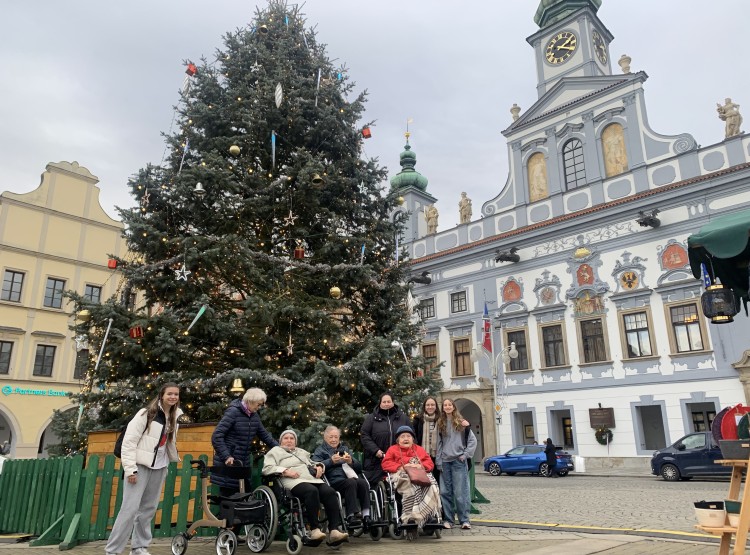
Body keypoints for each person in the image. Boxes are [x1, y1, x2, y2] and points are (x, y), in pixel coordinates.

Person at [105, 383, 182, 555]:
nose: (173, 397)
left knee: (148, 509)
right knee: (129, 509)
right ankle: (113, 550)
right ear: (162, 395)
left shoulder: (174, 417)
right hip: (140, 466)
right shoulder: (146, 414)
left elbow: (167, 443)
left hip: (159, 467)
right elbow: (129, 442)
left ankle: (139, 547)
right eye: (169, 393)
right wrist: (130, 469)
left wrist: (168, 463)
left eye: (176, 394)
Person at [263, 430, 349, 544]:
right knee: (311, 491)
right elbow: (267, 468)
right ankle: (314, 530)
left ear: (295, 441)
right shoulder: (275, 452)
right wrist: (285, 471)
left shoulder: (301, 452)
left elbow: (312, 463)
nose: (289, 440)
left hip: (310, 479)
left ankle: (334, 530)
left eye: (292, 438)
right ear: (280, 441)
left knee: (330, 492)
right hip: (291, 481)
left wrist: (319, 467)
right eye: (286, 438)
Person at [211, 388, 278, 497]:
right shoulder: (233, 412)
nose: (260, 407)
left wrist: (280, 448)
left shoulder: (254, 416)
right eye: (259, 404)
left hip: (243, 463)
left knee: (244, 498)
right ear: (250, 401)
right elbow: (217, 436)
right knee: (229, 500)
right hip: (230, 463)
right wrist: (226, 456)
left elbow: (265, 436)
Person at [381, 425, 441, 527]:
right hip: (401, 476)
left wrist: (419, 465)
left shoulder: (419, 449)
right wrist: (402, 467)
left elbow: (430, 464)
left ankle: (428, 515)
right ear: (398, 440)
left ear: (412, 439)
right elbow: (385, 464)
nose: (405, 439)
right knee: (411, 487)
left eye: (408, 436)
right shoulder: (392, 449)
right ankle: (410, 518)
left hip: (419, 475)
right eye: (402, 436)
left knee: (431, 484)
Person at [312, 425, 371, 529]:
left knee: (362, 482)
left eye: (336, 437)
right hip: (333, 481)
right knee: (351, 482)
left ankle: (366, 515)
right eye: (331, 437)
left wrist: (351, 461)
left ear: (339, 438)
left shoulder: (344, 449)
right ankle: (350, 516)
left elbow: (359, 468)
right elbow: (316, 466)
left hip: (348, 478)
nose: (334, 440)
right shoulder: (320, 450)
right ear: (325, 438)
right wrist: (331, 461)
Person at [436, 398, 477, 530]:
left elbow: (472, 441)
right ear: (443, 408)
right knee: (445, 492)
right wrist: (439, 461)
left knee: (461, 492)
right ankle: (449, 520)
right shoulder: (440, 423)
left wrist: (465, 455)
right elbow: (438, 444)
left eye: (449, 405)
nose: (447, 407)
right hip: (445, 462)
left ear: (453, 407)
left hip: (458, 461)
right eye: (445, 405)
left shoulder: (461, 423)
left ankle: (464, 520)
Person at [360, 392, 410, 483]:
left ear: (393, 402)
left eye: (389, 401)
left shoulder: (403, 418)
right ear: (380, 403)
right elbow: (364, 435)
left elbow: (411, 436)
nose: (386, 404)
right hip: (376, 461)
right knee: (379, 486)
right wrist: (376, 451)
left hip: (398, 460)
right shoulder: (371, 418)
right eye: (384, 402)